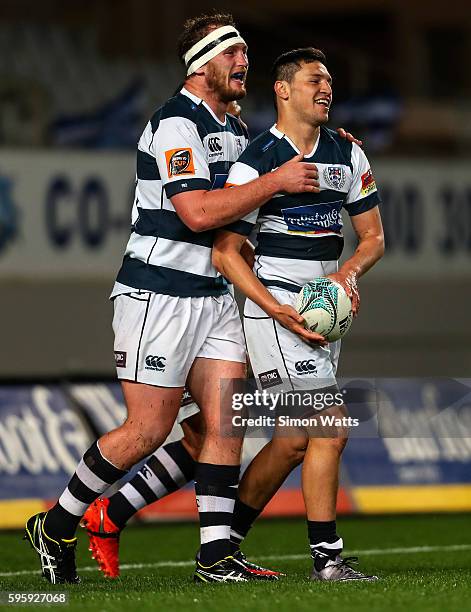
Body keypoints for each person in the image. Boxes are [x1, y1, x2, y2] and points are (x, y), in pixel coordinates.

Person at [24, 13, 323, 585]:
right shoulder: (173, 126)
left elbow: (254, 204)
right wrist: (275, 181)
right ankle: (58, 522)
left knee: (223, 422)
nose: (244, 62)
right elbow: (197, 212)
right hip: (157, 295)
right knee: (147, 431)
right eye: (232, 53)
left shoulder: (235, 132)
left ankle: (215, 558)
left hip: (213, 296)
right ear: (202, 63)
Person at [211, 47, 385, 581]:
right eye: (314, 80)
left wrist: (346, 274)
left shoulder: (348, 153)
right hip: (277, 310)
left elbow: (373, 239)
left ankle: (223, 546)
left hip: (324, 311)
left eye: (329, 81)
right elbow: (225, 252)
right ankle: (327, 560)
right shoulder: (259, 159)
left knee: (291, 441)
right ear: (283, 90)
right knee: (330, 429)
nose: (326, 89)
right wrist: (273, 308)